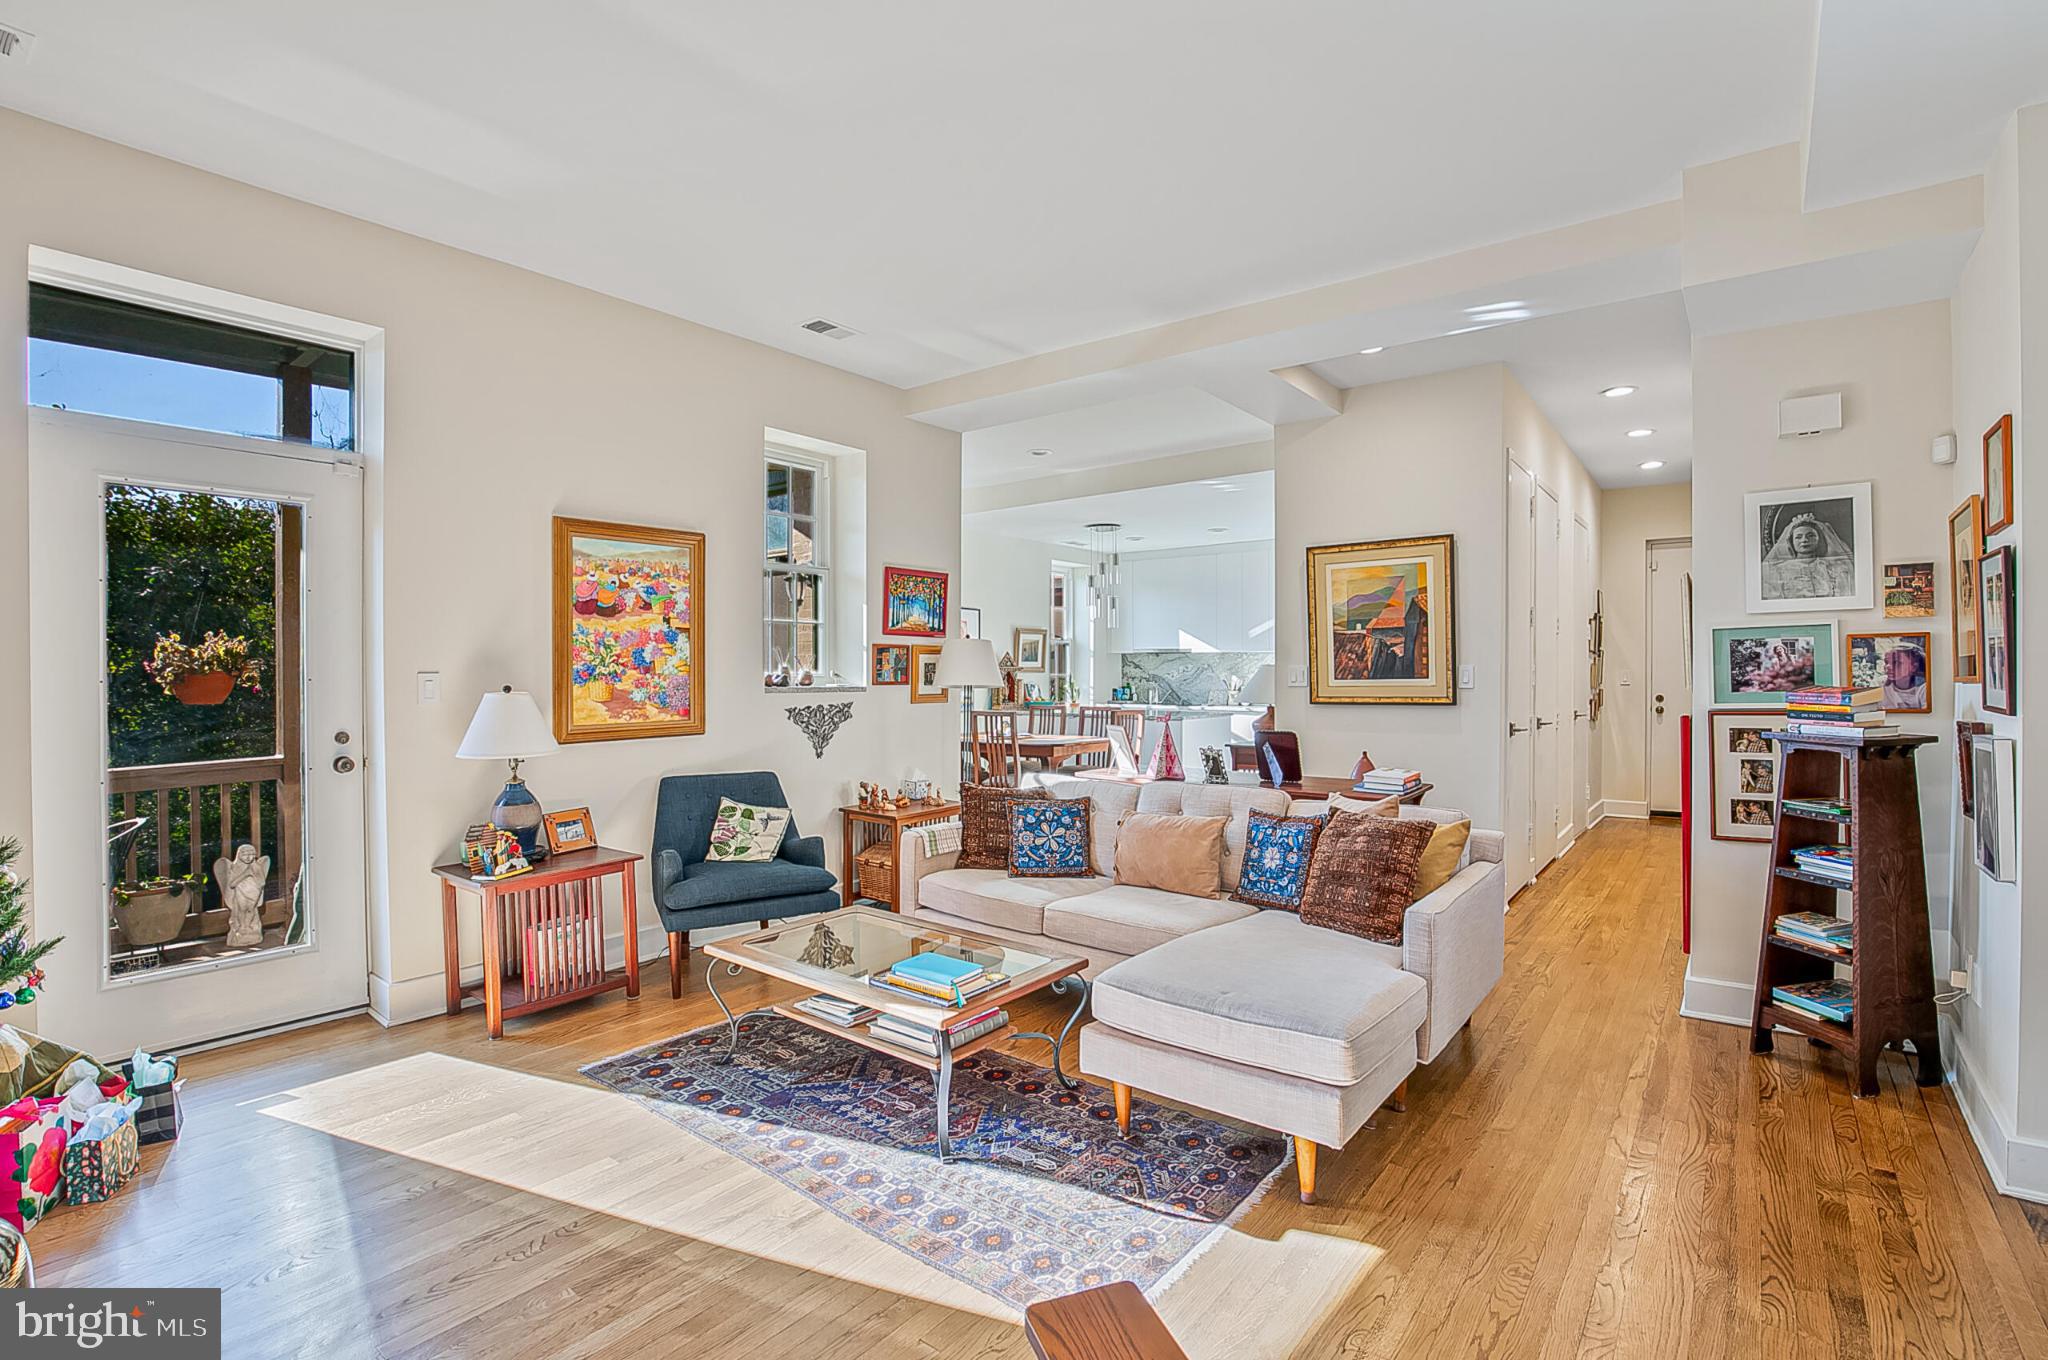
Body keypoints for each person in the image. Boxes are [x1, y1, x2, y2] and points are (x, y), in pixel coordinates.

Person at [1761, 511, 1856, 601]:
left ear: (1819, 539)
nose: (1804, 540)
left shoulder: (1834, 569)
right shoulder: (1778, 572)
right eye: (1798, 537)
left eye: (1811, 536)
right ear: (1791, 542)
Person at [1883, 642, 1928, 710]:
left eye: (1896, 662)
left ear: (1914, 667)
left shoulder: (1925, 688)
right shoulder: (1881, 685)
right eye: (1886, 662)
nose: (1888, 666)